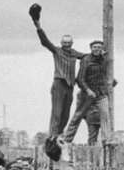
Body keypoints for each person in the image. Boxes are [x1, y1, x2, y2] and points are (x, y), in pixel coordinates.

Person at [31, 8, 85, 137]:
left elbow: (87, 57)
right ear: (61, 43)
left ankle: (58, 135)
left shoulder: (74, 53)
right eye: (64, 43)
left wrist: (100, 54)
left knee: (65, 114)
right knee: (57, 112)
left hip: (70, 86)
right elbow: (45, 42)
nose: (66, 44)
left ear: (72, 43)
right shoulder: (57, 51)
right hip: (59, 84)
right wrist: (38, 26)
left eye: (68, 43)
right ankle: (52, 136)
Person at [62, 40, 114, 145]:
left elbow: (104, 74)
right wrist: (88, 90)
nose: (97, 49)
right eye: (95, 47)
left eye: (99, 47)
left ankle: (107, 139)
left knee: (105, 116)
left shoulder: (104, 60)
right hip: (86, 94)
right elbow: (80, 79)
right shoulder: (86, 60)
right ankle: (66, 140)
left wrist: (111, 82)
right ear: (91, 48)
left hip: (100, 93)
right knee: (77, 117)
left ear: (102, 49)